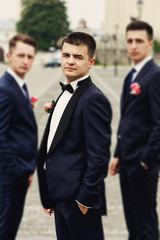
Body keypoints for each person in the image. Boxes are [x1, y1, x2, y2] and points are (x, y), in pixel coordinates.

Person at [37, 32, 112, 240]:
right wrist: (50, 195)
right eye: (66, 55)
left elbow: (99, 156)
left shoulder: (94, 99)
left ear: (91, 62)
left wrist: (84, 201)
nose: (70, 61)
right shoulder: (65, 92)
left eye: (78, 57)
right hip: (60, 197)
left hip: (79, 202)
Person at [109, 21, 160, 240]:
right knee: (132, 222)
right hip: (127, 160)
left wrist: (144, 160)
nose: (133, 46)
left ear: (150, 44)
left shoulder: (155, 75)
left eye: (139, 41)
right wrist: (118, 154)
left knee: (145, 225)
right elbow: (128, 117)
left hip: (142, 164)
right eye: (129, 41)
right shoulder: (132, 76)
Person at [0, 34, 37, 240]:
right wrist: (18, 170)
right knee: (5, 229)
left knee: (11, 226)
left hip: (20, 173)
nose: (26, 61)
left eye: (30, 56)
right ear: (9, 56)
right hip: (9, 176)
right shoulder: (5, 89)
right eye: (21, 55)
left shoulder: (19, 86)